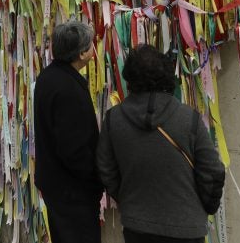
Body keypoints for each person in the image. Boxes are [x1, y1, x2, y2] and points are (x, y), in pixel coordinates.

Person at [96, 45, 225, 243]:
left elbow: (106, 169)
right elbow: (213, 170)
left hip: (137, 225)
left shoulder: (113, 119)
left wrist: (127, 199)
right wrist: (207, 205)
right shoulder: (188, 118)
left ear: (129, 77)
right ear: (166, 74)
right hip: (187, 227)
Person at [34, 20, 102, 243]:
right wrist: (95, 179)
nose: (95, 47)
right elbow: (73, 148)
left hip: (56, 183)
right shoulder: (68, 89)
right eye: (91, 44)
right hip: (72, 190)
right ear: (82, 53)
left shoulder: (48, 77)